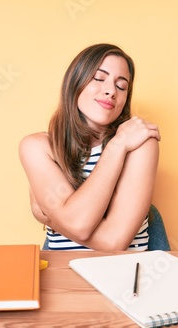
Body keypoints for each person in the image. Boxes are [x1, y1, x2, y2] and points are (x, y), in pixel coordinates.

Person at [19, 43, 161, 251]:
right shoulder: (37, 147)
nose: (111, 91)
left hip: (124, 275)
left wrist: (54, 219)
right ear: (75, 82)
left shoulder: (140, 144)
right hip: (63, 275)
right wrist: (118, 146)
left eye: (121, 86)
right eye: (99, 78)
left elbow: (112, 243)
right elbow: (79, 225)